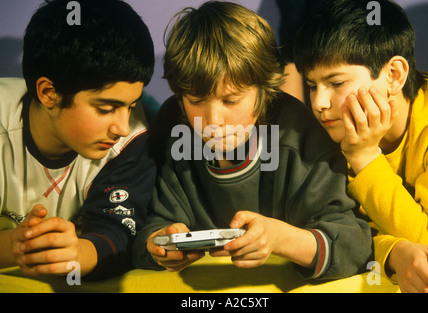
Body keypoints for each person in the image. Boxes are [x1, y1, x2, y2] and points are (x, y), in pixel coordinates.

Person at [133, 1, 372, 281]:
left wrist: (280, 239)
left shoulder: (298, 137)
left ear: (264, 92)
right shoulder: (173, 126)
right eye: (196, 101)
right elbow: (142, 228)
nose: (213, 120)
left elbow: (354, 244)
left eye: (231, 100)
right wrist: (159, 243)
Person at [293, 0, 428, 292]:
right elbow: (340, 232)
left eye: (336, 83)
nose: (319, 104)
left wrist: (364, 156)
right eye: (312, 86)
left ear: (393, 75)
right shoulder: (330, 129)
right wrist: (393, 253)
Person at [0, 0, 156, 280]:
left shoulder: (134, 138)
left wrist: (76, 254)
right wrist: (17, 246)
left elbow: (116, 233)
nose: (122, 126)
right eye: (105, 109)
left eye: (131, 106)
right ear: (49, 93)